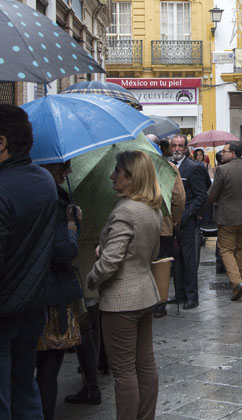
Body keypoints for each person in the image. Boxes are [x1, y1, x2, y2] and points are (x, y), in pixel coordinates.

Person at [86, 151, 162, 420]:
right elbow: (149, 253)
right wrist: (106, 248)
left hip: (121, 301)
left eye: (117, 171)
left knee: (124, 371)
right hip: (145, 293)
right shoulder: (152, 209)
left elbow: (110, 264)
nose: (112, 176)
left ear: (132, 177)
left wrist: (91, 279)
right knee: (145, 363)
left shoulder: (126, 211)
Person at [0, 104, 59, 420]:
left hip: (5, 308)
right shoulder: (44, 180)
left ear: (2, 143)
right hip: (33, 305)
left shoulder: (3, 188)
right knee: (25, 388)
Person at [35, 161, 84, 420]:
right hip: (52, 293)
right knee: (48, 365)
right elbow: (65, 250)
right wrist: (72, 228)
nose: (69, 171)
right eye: (64, 166)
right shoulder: (53, 201)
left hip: (35, 289)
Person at [206, 141, 242, 301]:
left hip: (227, 216)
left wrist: (208, 203)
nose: (222, 153)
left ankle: (236, 282)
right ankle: (238, 281)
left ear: (233, 154)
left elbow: (212, 194)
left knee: (226, 250)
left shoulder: (222, 170)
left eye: (225, 151)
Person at [169, 134, 208, 309]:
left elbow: (201, 195)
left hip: (187, 221)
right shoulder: (167, 166)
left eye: (180, 146)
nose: (177, 149)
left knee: (189, 260)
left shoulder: (194, 168)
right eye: (174, 146)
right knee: (175, 260)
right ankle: (179, 294)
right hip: (170, 222)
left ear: (185, 148)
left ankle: (192, 296)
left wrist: (188, 213)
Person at [152, 158, 186, 318]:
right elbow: (178, 197)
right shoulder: (168, 167)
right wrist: (175, 220)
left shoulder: (128, 163)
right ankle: (159, 305)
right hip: (163, 224)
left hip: (137, 225)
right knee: (161, 264)